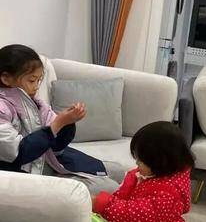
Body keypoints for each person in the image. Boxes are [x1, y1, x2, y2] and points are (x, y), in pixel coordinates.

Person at [0, 44, 121, 191]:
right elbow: (18, 153)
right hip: (23, 174)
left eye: (39, 81)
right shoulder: (2, 109)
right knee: (108, 187)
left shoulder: (37, 104)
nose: (36, 87)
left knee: (118, 171)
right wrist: (57, 124)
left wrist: (68, 123)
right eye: (32, 81)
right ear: (6, 79)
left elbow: (57, 146)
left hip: (48, 161)